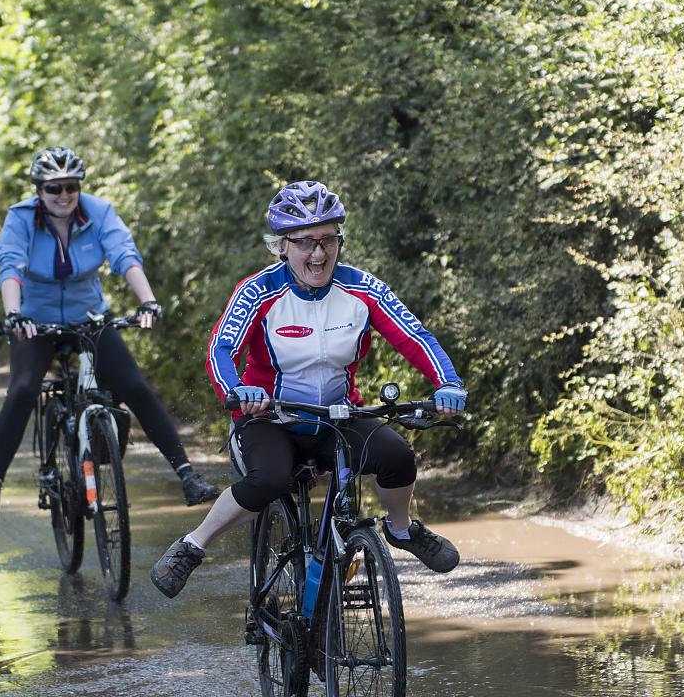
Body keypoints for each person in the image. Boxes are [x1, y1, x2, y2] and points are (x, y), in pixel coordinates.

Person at [148, 180, 468, 598]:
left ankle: (401, 529)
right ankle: (193, 545)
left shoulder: (363, 288)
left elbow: (414, 336)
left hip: (337, 416)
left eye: (328, 240)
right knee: (269, 478)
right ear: (282, 246)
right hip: (269, 417)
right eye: (305, 242)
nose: (318, 254)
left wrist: (447, 382)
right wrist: (238, 390)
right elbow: (222, 348)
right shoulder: (258, 291)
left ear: (339, 240)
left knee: (397, 455)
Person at [0, 147, 217, 520]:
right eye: (54, 188)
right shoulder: (21, 218)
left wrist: (148, 302)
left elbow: (124, 256)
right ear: (39, 191)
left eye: (71, 186)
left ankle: (188, 475)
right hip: (36, 321)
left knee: (134, 386)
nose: (64, 195)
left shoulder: (98, 212)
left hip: (89, 318)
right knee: (22, 390)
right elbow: (11, 267)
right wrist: (14, 314)